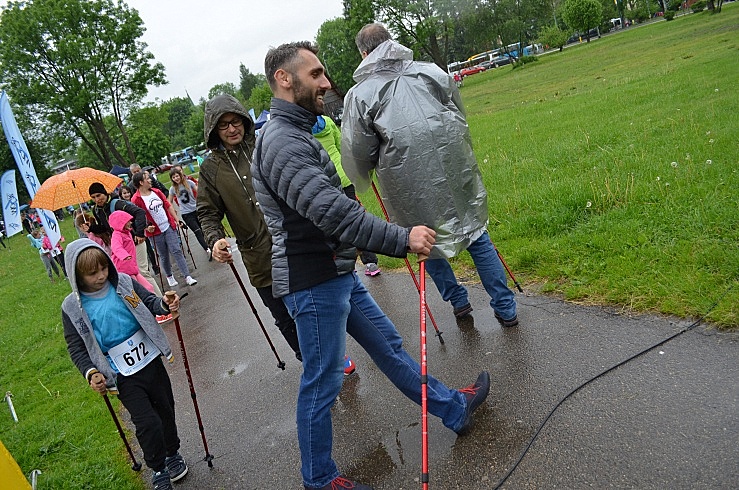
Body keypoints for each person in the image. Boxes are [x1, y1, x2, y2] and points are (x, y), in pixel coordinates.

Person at [253, 41, 490, 490]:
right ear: (284, 79)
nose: (326, 83)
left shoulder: (296, 132)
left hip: (336, 271)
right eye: (315, 74)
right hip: (312, 282)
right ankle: (319, 480)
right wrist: (401, 238)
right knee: (322, 382)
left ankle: (452, 409)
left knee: (390, 347)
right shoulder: (281, 140)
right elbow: (331, 212)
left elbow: (331, 204)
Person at [341, 24, 519, 327]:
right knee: (475, 233)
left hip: (406, 182)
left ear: (364, 53)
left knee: (424, 241)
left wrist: (362, 175)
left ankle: (459, 301)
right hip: (453, 165)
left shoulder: (360, 94)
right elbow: (458, 114)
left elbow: (358, 150)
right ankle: (505, 307)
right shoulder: (429, 71)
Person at [61, 239, 188, 490]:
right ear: (76, 275)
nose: (101, 276)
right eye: (92, 273)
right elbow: (76, 347)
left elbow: (150, 302)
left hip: (149, 359)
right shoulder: (71, 307)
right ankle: (158, 468)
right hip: (121, 372)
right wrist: (91, 372)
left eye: (103, 268)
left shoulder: (123, 283)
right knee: (146, 421)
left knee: (165, 409)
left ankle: (172, 453)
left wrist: (165, 304)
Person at [195, 94, 303, 362]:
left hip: (294, 240)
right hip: (258, 256)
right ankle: (308, 361)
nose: (232, 129)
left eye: (236, 121)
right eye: (223, 125)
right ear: (213, 130)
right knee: (283, 316)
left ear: (245, 120)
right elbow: (208, 212)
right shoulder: (210, 169)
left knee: (308, 305)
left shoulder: (263, 145)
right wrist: (214, 240)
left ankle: (329, 356)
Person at [311, 114, 381, 277]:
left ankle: (347, 263)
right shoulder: (327, 121)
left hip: (325, 181)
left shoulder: (301, 130)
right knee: (356, 219)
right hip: (343, 176)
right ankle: (370, 261)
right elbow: (341, 146)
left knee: (336, 223)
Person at [89, 182, 162, 295]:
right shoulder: (96, 210)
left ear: (105, 193)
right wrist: (92, 228)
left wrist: (140, 233)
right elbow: (106, 227)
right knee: (131, 275)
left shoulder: (117, 204)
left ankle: (160, 299)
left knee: (142, 272)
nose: (97, 199)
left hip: (135, 241)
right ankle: (147, 300)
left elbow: (140, 212)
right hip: (121, 246)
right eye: (93, 197)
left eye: (99, 195)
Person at [131, 171, 197, 288]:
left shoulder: (156, 192)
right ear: (141, 182)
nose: (150, 180)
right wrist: (146, 227)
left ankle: (187, 276)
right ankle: (169, 276)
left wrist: (177, 220)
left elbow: (168, 205)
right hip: (154, 232)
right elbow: (137, 218)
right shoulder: (136, 199)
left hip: (168, 226)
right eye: (147, 178)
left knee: (176, 250)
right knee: (164, 255)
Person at [167, 167, 209, 257]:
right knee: (197, 231)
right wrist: (172, 210)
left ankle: (211, 244)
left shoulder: (189, 183)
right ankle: (207, 249)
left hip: (196, 209)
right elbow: (169, 201)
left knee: (203, 229)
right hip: (186, 214)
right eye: (173, 177)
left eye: (177, 176)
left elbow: (199, 192)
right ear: (171, 179)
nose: (176, 178)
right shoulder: (172, 189)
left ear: (180, 175)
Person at [110, 210, 155, 292]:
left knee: (149, 288)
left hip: (132, 268)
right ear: (121, 223)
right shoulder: (117, 235)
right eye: (127, 221)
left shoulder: (127, 232)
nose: (130, 222)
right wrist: (124, 255)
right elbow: (116, 247)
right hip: (125, 270)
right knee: (136, 291)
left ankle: (154, 298)